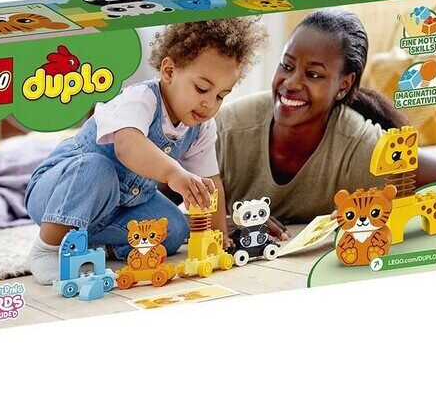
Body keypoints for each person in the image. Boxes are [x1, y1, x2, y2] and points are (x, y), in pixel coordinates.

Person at [24, 18, 266, 284]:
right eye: (202, 88)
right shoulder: (140, 99)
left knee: (174, 228)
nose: (210, 103)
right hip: (62, 192)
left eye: (221, 95)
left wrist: (220, 237)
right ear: (169, 71)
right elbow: (128, 146)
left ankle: (96, 249)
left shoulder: (201, 127)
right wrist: (173, 174)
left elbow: (211, 182)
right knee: (97, 169)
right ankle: (48, 249)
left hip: (120, 209)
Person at [216, 8, 436, 237]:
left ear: (344, 85)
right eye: (286, 66)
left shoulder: (360, 146)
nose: (291, 83)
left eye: (314, 75)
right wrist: (225, 223)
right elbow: (190, 213)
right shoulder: (226, 129)